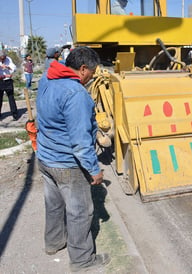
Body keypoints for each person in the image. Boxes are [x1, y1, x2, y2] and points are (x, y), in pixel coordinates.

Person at [36, 47, 110, 272]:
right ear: (83, 69)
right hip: (67, 164)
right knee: (80, 211)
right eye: (92, 72)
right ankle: (82, 260)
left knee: (54, 204)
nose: (92, 77)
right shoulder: (76, 93)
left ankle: (54, 242)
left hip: (45, 157)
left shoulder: (46, 78)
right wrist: (94, 169)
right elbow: (79, 141)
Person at [0, 50, 18, 120]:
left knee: (11, 98)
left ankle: (15, 114)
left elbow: (14, 68)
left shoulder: (8, 59)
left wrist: (8, 67)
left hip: (8, 81)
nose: (3, 59)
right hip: (1, 81)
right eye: (1, 58)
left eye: (4, 58)